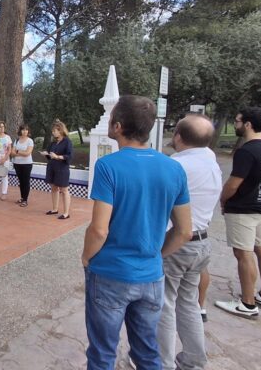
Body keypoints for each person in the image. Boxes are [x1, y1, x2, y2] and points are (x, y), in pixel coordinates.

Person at [81, 95, 192, 370]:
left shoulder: (109, 166)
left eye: (110, 119)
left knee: (103, 353)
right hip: (151, 276)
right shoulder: (174, 168)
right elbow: (184, 231)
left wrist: (86, 257)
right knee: (146, 354)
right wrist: (155, 254)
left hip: (110, 273)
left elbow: (99, 229)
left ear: (117, 126)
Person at [157, 114, 222, 370]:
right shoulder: (211, 162)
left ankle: (161, 363)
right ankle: (194, 360)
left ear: (178, 137)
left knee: (164, 304)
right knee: (189, 303)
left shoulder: (177, 166)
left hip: (179, 242)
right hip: (201, 243)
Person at [215, 107, 261, 319]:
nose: (235, 125)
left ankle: (247, 302)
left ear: (248, 124)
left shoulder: (247, 151)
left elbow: (233, 183)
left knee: (243, 254)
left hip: (244, 208)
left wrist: (223, 200)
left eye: (237, 121)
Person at [44, 120, 73, 219]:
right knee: (54, 188)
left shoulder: (67, 142)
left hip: (62, 169)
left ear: (60, 130)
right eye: (53, 131)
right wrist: (47, 154)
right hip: (52, 167)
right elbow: (49, 154)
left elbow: (69, 156)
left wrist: (58, 157)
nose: (53, 132)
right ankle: (55, 209)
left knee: (64, 190)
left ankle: (66, 213)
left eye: (55, 130)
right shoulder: (53, 142)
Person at [12, 124, 34, 207]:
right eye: (23, 130)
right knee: (21, 182)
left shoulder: (30, 141)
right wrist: (20, 152)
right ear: (20, 131)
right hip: (17, 164)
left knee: (25, 181)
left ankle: (25, 200)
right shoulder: (17, 140)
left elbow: (27, 153)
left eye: (26, 130)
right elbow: (12, 152)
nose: (25, 131)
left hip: (27, 164)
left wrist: (17, 151)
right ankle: (22, 197)